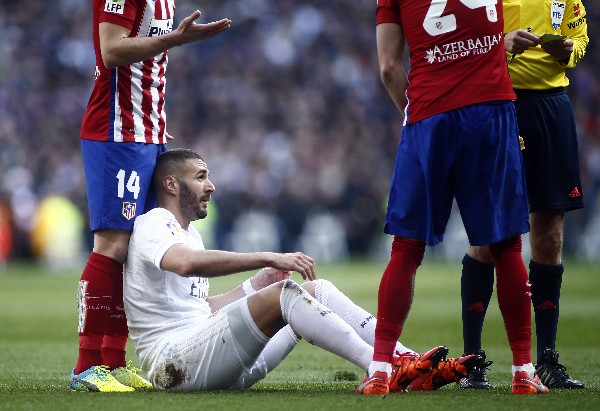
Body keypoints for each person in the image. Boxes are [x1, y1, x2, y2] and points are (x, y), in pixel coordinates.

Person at [119, 148, 473, 392]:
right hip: (174, 366)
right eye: (201, 177)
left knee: (316, 291)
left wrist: (256, 285)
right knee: (286, 295)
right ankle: (381, 369)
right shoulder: (154, 222)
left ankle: (405, 360)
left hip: (212, 358)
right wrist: (269, 258)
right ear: (171, 184)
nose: (211, 186)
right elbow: (186, 264)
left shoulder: (189, 233)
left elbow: (204, 309)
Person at [359, 0, 549, 396]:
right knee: (507, 247)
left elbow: (389, 67)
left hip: (431, 114)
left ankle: (378, 371)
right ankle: (523, 372)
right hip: (491, 110)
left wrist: (417, 115)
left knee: (406, 248)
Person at [69, 1, 232, 392]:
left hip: (146, 133)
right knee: (112, 244)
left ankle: (113, 360)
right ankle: (86, 366)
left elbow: (146, 69)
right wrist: (177, 38)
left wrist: (155, 118)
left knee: (138, 242)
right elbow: (111, 50)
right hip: (116, 133)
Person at [459, 0, 588, 390]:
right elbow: (458, 45)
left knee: (549, 233)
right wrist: (500, 42)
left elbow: (581, 39)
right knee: (490, 233)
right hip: (500, 104)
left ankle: (547, 359)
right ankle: (471, 362)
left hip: (552, 108)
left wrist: (570, 50)